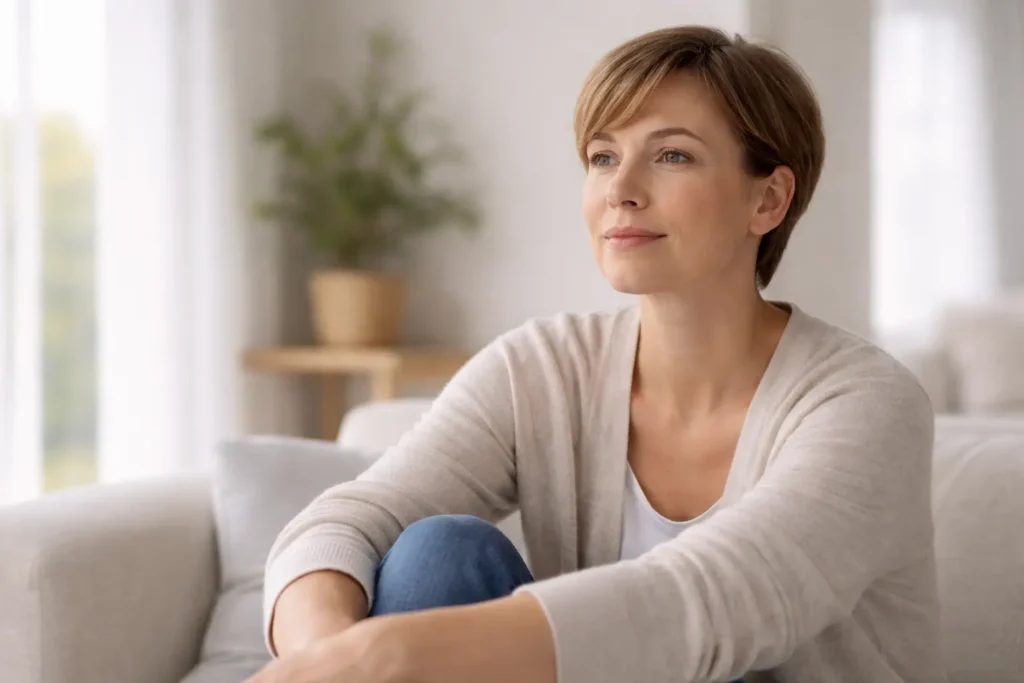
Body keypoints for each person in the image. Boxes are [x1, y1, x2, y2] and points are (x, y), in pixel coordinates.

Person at [248, 25, 945, 683]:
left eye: (672, 155)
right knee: (437, 556)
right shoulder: (543, 368)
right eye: (603, 156)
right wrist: (326, 660)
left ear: (768, 199)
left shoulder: (867, 404)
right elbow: (340, 523)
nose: (620, 189)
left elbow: (703, 603)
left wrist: (389, 651)